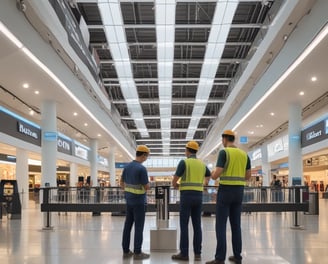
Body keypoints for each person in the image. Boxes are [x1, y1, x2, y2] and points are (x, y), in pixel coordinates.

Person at [206, 130, 251, 264]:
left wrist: (213, 174)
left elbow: (216, 173)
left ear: (225, 139)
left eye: (222, 140)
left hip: (226, 191)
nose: (222, 142)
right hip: (239, 192)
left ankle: (220, 258)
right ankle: (237, 256)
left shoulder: (224, 152)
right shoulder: (244, 155)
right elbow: (248, 176)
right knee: (236, 225)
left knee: (221, 225)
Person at [171, 141, 211, 261]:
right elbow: (208, 176)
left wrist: (177, 186)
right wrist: (204, 184)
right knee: (197, 225)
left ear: (187, 150)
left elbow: (174, 181)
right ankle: (197, 253)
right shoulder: (202, 164)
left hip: (186, 196)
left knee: (184, 225)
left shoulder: (184, 162)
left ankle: (184, 254)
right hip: (198, 196)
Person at [120, 145, 150, 260]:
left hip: (129, 200)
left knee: (128, 225)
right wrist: (149, 186)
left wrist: (127, 192)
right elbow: (146, 186)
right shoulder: (141, 169)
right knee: (139, 226)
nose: (146, 158)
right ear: (143, 155)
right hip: (139, 202)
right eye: (146, 156)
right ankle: (138, 252)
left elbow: (121, 182)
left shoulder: (127, 167)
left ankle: (126, 251)